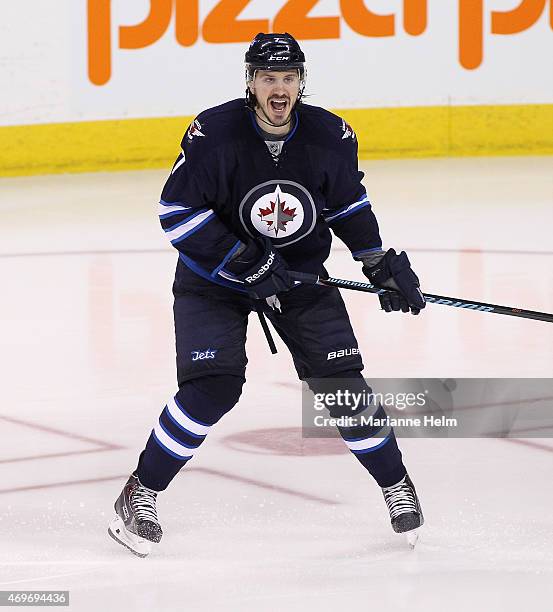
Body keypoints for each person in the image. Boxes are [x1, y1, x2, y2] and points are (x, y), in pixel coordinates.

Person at [108, 33, 426, 558]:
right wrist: (243, 262)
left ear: (302, 82)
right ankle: (141, 491)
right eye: (268, 77)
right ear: (250, 82)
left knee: (342, 384)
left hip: (299, 275)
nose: (279, 89)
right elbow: (177, 214)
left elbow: (347, 206)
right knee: (213, 390)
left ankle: (395, 484)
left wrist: (377, 264)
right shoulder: (214, 134)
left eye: (288, 78)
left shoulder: (330, 136)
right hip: (214, 281)